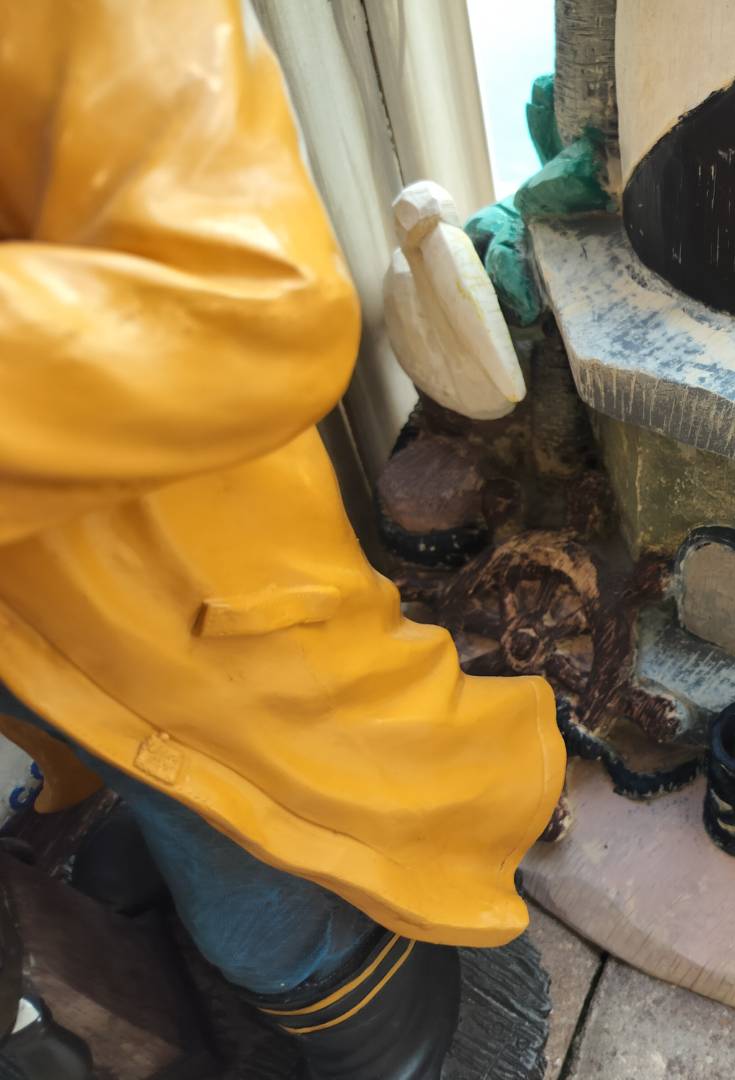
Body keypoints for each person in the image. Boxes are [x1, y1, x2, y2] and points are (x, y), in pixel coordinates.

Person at [0, 3, 564, 1075]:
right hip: (49, 636)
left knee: (257, 903)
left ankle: (374, 1012)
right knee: (141, 796)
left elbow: (262, 300)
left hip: (179, 608)